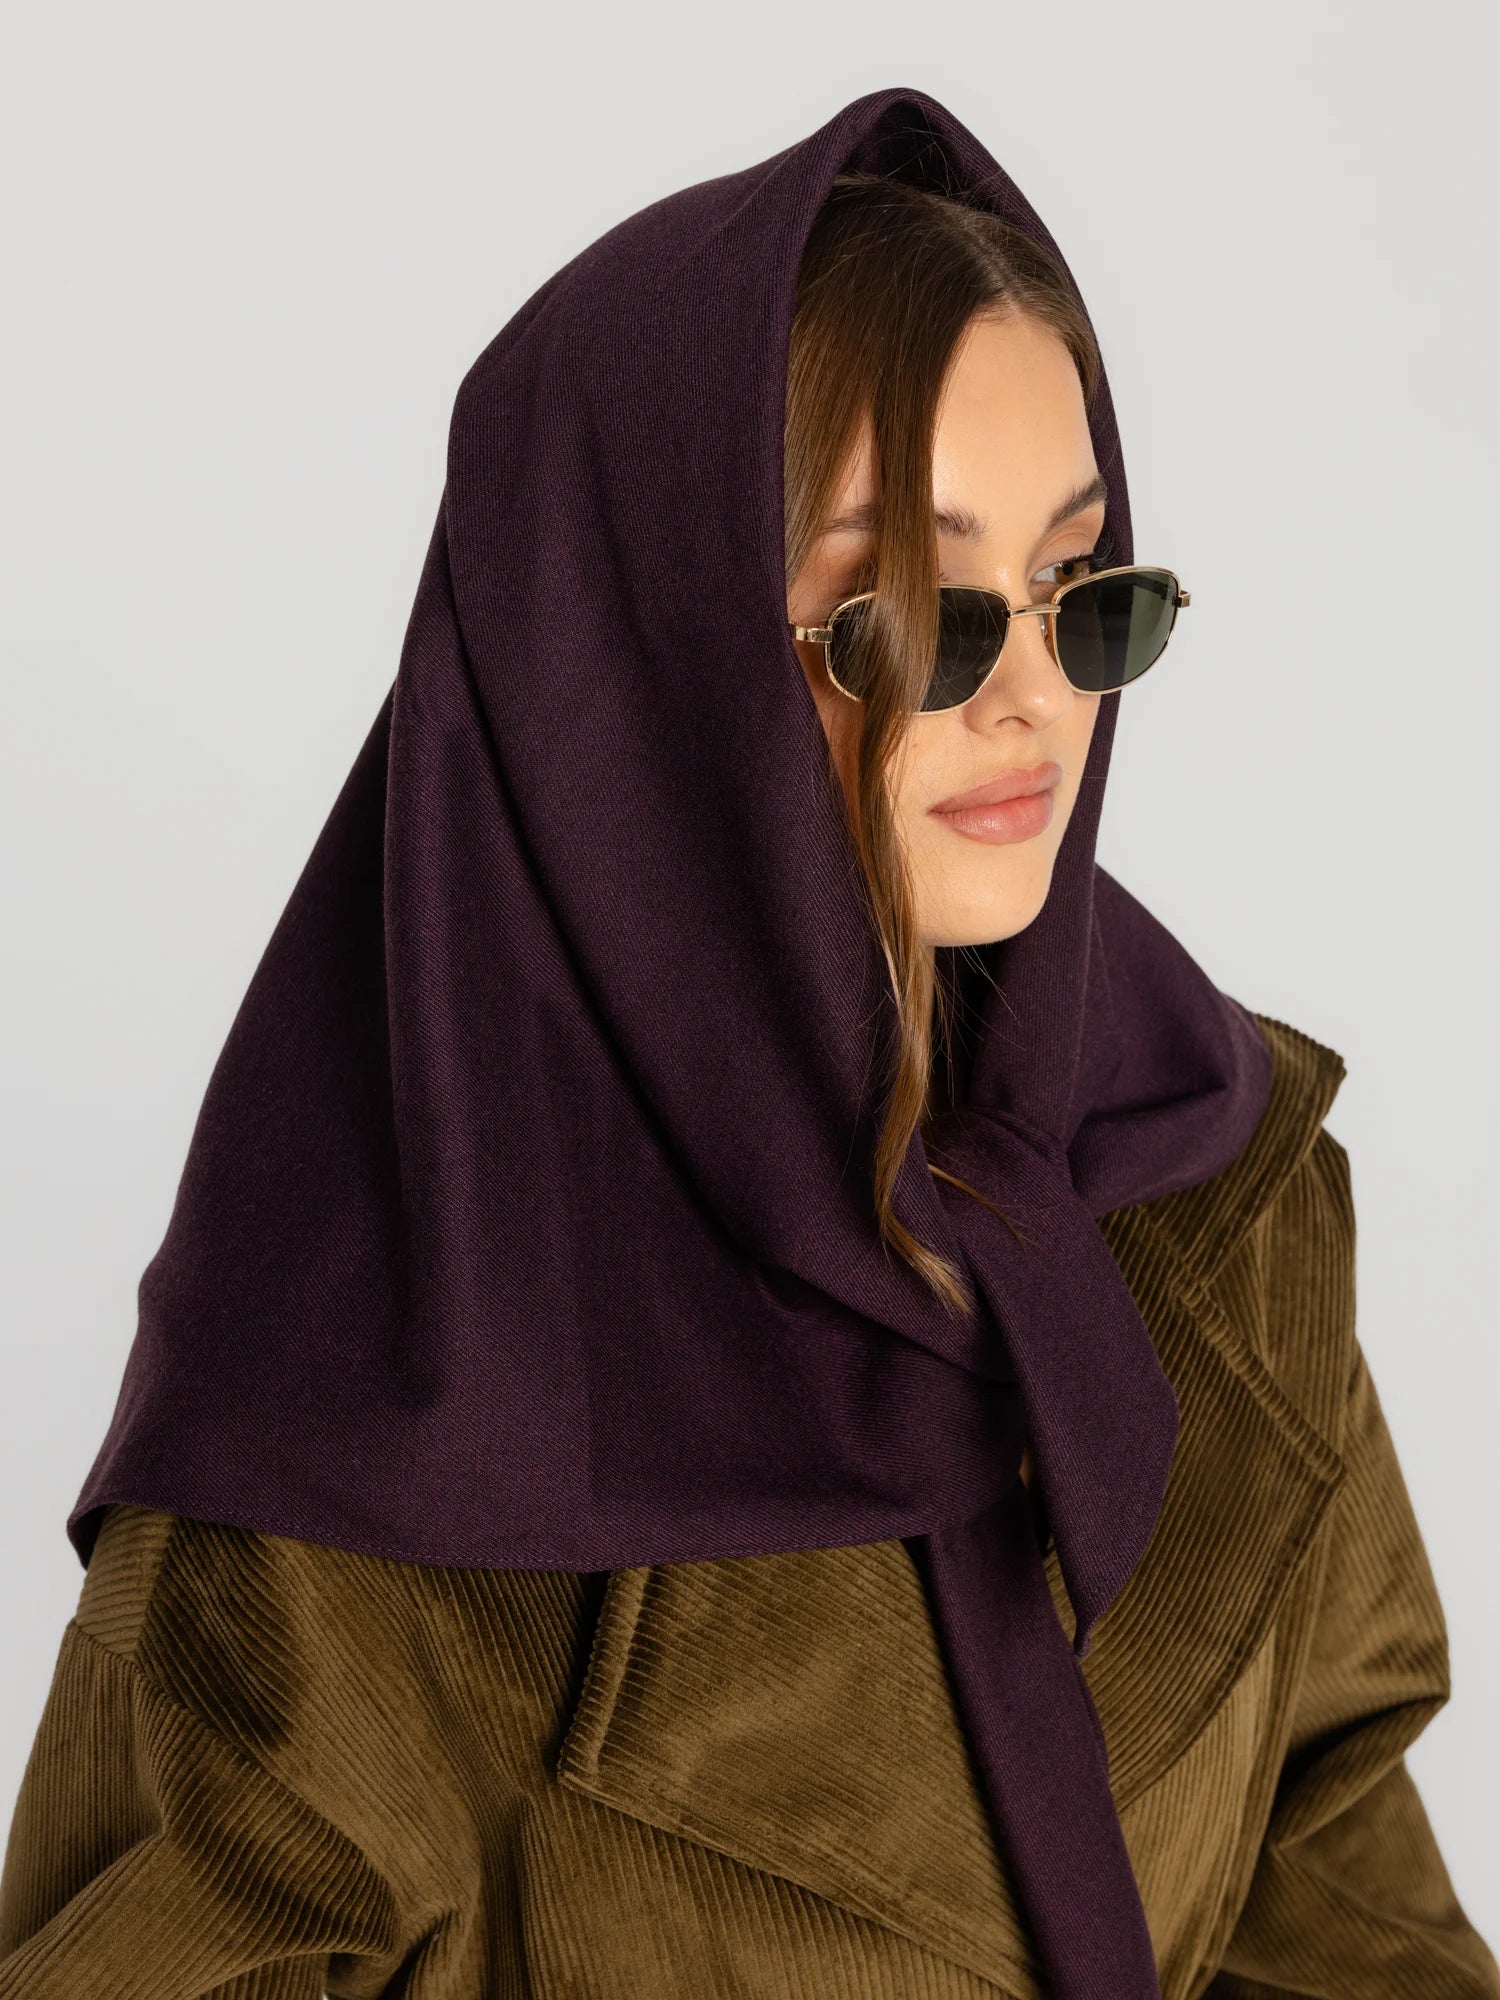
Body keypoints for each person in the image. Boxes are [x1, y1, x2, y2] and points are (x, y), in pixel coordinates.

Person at [1, 86, 1495, 2000]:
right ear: (635, 666)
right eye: (912, 615)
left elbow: (1338, 1904)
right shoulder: (353, 1452)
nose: (1037, 702)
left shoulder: (1217, 1185)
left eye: (1081, 591)